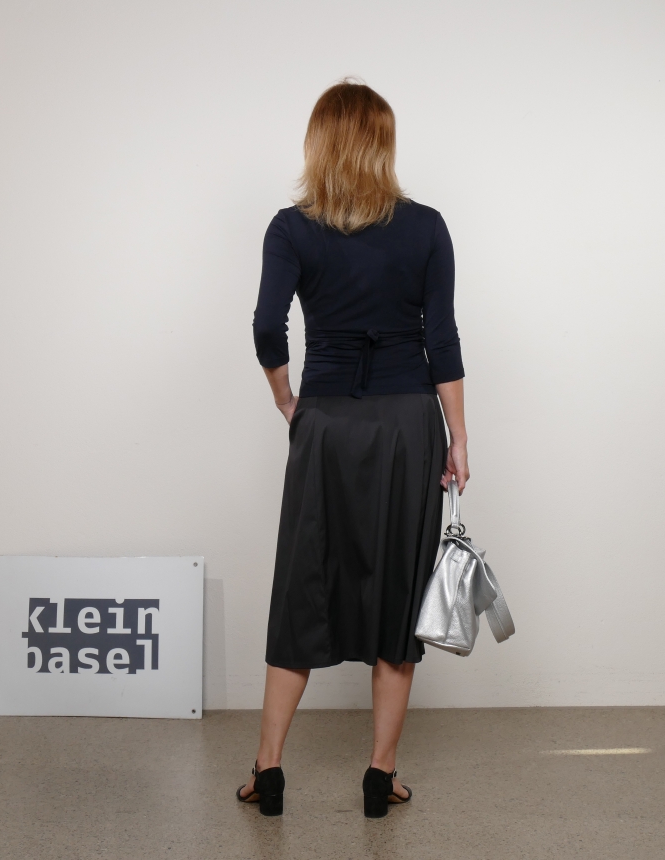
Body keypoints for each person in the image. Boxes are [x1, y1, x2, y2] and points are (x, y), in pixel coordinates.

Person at [237, 80, 469, 819]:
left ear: (320, 143)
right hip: (408, 425)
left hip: (327, 423)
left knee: (303, 585)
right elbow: (442, 340)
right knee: (397, 597)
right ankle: (379, 776)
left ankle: (269, 773)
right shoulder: (427, 227)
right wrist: (459, 437)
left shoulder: (291, 229)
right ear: (383, 143)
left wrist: (288, 401)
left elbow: (267, 326)